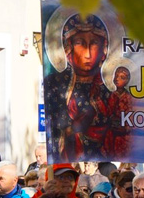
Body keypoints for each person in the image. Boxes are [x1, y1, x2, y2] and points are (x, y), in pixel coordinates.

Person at [44, 13, 113, 162]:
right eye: (80, 43)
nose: (87, 54)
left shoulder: (110, 89)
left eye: (94, 43)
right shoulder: (55, 86)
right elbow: (55, 130)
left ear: (104, 49)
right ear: (68, 48)